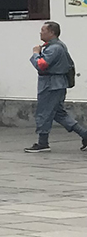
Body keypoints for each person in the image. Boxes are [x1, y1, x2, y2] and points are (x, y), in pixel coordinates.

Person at [28, 21, 87, 152]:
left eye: (43, 30)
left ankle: (43, 143)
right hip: (57, 83)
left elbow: (41, 65)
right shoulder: (57, 46)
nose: (40, 33)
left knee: (44, 112)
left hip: (51, 84)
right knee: (58, 113)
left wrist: (35, 53)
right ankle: (84, 134)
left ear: (52, 32)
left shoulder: (54, 48)